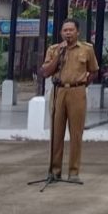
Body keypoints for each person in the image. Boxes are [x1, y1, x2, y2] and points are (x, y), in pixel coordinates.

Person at [38, 19, 99, 183]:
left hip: (77, 91)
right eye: (65, 30)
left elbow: (94, 71)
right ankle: (54, 171)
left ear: (77, 32)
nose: (68, 33)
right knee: (56, 132)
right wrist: (59, 55)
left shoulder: (86, 49)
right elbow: (46, 72)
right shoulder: (53, 49)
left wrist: (84, 83)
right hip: (58, 91)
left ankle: (73, 172)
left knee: (76, 133)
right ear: (61, 33)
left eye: (71, 30)